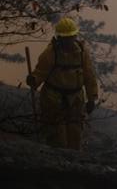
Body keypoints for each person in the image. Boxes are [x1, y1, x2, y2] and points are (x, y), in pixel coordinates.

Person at [26, 17, 99, 150]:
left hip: (75, 100)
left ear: (75, 36)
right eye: (65, 38)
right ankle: (56, 166)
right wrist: (34, 79)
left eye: (70, 37)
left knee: (75, 136)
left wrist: (92, 98)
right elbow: (41, 71)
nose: (67, 41)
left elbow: (89, 76)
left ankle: (73, 165)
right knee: (57, 137)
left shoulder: (82, 53)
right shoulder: (50, 53)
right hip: (53, 100)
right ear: (58, 37)